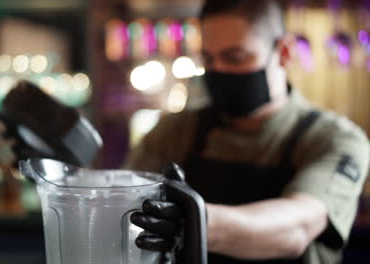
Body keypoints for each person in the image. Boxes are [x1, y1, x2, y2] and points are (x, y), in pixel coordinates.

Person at [124, 1, 370, 263]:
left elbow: (297, 227)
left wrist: (197, 221)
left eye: (235, 57)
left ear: (284, 53)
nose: (219, 70)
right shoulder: (176, 130)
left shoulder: (334, 139)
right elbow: (126, 199)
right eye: (209, 59)